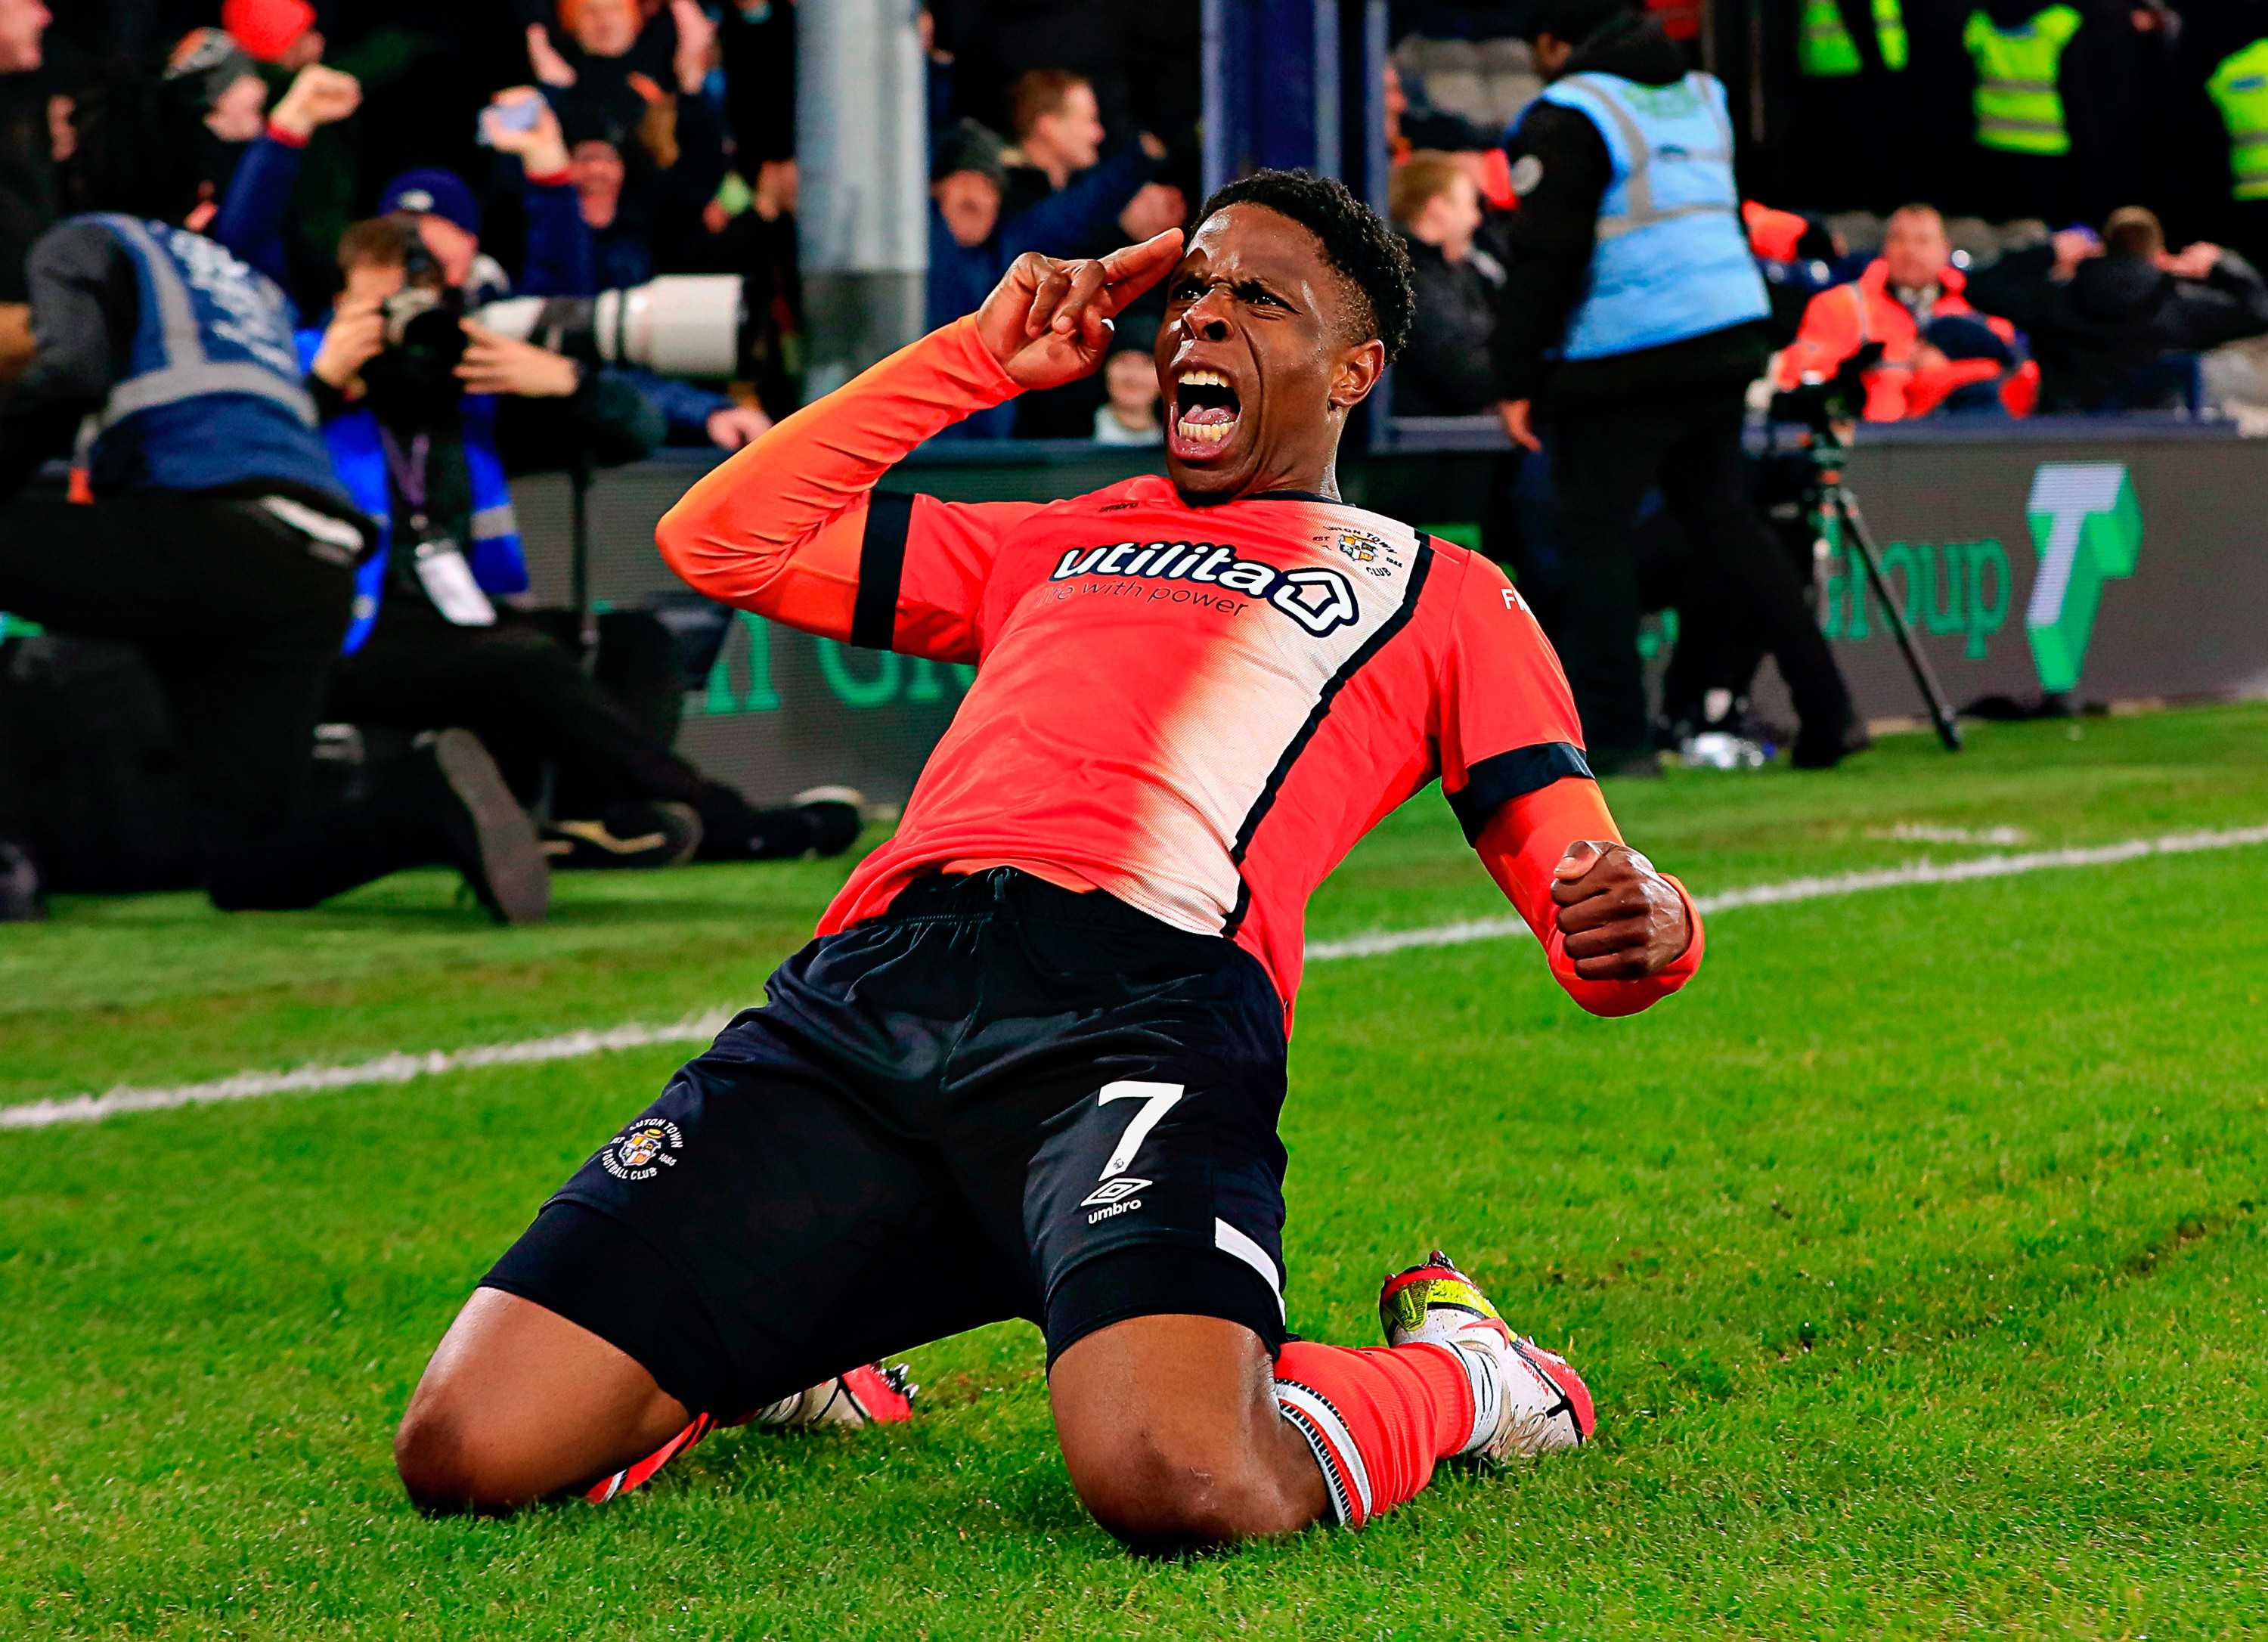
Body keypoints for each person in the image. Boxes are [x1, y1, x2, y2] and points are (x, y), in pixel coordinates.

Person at [392, 171, 1705, 1548]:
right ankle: (801, 1340)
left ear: (1353, 372)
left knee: (1188, 1482)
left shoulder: (1445, 590)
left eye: (1261, 299)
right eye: (1192, 289)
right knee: (467, 1447)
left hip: (1144, 1010)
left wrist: (1656, 919)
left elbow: (1597, 914)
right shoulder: (1061, 533)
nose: (1202, 317)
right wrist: (976, 357)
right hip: (872, 992)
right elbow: (720, 538)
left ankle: (1469, 1375)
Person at [0, 72, 548, 922]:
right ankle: (421, 803)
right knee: (250, 864)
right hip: (315, 562)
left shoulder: (86, 242)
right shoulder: (247, 284)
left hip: (214, 536)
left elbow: (70, 373)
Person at [299, 217, 860, 869]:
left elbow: (634, 432)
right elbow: (241, 455)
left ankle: (601, 825)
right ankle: (722, 821)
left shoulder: (461, 380)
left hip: (457, 619)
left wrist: (570, 382)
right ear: (339, 303)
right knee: (526, 660)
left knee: (636, 642)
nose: (403, 326)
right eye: (381, 310)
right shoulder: (294, 366)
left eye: (417, 308)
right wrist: (322, 381)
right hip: (343, 630)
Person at [1491, 0, 1857, 773]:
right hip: (1727, 330)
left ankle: (1619, 738)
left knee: (1593, 535)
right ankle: (1829, 709)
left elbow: (1545, 255)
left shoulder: (1569, 114)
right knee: (1726, 519)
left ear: (1555, 42)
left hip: (1626, 347)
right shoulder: (1701, 95)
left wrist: (1516, 375)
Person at [1966, 205, 2268, 411]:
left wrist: (2049, 251)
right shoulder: (2180, 308)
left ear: (2101, 248)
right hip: (2155, 447)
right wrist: (2220, 263)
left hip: (2067, 442)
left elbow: (1980, 287)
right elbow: (2259, 310)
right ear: (2158, 255)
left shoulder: (2056, 300)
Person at [1774, 203, 2034, 420]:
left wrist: (1941, 374)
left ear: (1945, 249)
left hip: (1953, 445)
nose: (1909, 250)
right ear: (1884, 248)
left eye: (1922, 241)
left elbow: (2021, 390)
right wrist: (1863, 364)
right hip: (1868, 442)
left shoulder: (1978, 315)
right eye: (1898, 239)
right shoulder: (1838, 307)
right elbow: (1797, 377)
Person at [1390, 150, 1504, 417]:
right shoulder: (1410, 284)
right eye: (1470, 205)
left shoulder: (1456, 273)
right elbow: (1465, 375)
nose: (1476, 219)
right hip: (1431, 436)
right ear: (1438, 209)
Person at [1091, 317, 1163, 444]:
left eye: (1147, 364)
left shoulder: (1181, 442)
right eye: (1123, 361)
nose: (1133, 376)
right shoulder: (1067, 437)